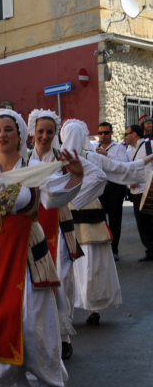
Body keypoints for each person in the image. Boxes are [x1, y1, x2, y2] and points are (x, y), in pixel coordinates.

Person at [0, 109, 84, 387]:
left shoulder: (33, 168)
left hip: (27, 252)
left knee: (30, 321)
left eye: (8, 129)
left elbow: (56, 196)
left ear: (20, 134)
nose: (2, 135)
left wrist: (76, 177)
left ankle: (37, 372)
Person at [28, 110, 104, 360]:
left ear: (56, 133)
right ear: (33, 131)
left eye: (50, 131)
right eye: (40, 131)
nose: (45, 136)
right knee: (32, 284)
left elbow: (99, 176)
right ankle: (36, 335)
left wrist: (73, 200)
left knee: (59, 281)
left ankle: (62, 335)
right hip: (29, 227)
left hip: (59, 229)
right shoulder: (23, 159)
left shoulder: (63, 157)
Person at [60, 119, 152, 327]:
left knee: (68, 262)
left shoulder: (58, 159)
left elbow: (121, 168)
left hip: (69, 212)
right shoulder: (88, 156)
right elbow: (122, 169)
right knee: (91, 262)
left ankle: (68, 310)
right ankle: (92, 307)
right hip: (88, 212)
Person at [95, 121, 129, 261]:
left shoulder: (119, 148)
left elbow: (123, 164)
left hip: (115, 186)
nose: (103, 135)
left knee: (115, 219)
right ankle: (103, 250)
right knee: (100, 219)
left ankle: (114, 250)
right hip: (100, 187)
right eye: (101, 133)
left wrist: (106, 155)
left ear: (112, 133)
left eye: (106, 132)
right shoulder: (94, 147)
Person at [126, 124, 153, 262]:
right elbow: (124, 168)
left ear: (134, 134)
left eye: (126, 134)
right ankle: (150, 250)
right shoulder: (129, 150)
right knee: (142, 224)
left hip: (149, 189)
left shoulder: (150, 145)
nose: (124, 137)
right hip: (136, 192)